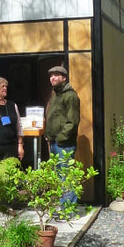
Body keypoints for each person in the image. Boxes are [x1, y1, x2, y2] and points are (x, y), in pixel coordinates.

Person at [45, 65, 80, 205]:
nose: (52, 78)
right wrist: (49, 136)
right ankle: (61, 206)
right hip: (54, 143)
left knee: (66, 176)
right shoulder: (55, 95)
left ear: (64, 78)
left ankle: (68, 209)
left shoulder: (70, 95)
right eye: (51, 75)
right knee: (59, 177)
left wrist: (60, 138)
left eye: (56, 75)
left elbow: (73, 121)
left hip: (64, 144)